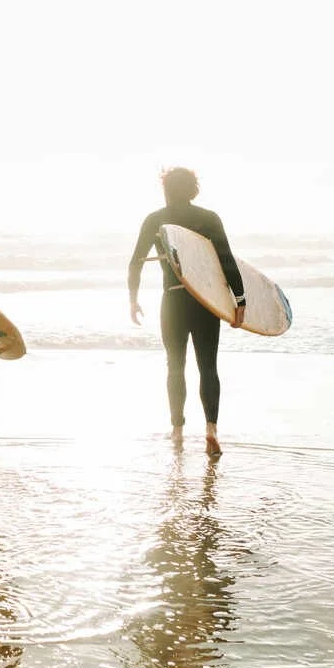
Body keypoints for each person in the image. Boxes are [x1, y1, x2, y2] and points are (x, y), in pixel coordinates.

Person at [128, 167, 245, 456]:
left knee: (175, 365)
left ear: (166, 189)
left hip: (173, 300)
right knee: (208, 366)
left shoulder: (155, 220)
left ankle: (177, 430)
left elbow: (136, 262)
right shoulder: (208, 218)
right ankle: (211, 430)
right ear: (193, 189)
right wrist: (239, 300)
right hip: (205, 304)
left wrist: (133, 298)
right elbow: (226, 260)